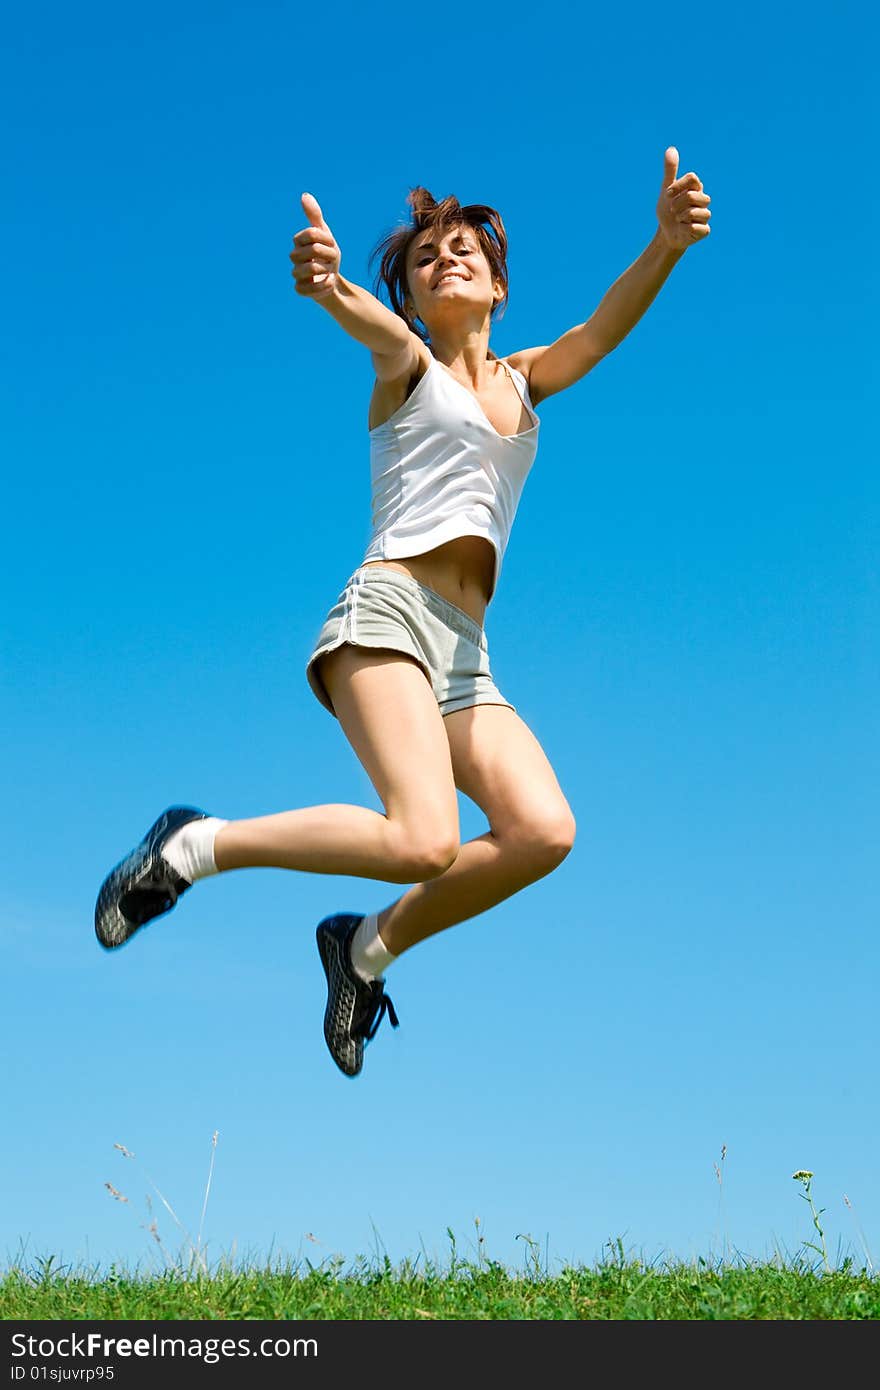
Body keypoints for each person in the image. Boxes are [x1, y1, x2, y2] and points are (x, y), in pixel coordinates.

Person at [94, 150, 711, 1079]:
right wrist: (331, 285)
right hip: (388, 612)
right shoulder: (407, 365)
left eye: (466, 250)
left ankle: (364, 952)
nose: (446, 260)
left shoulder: (523, 382)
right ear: (414, 297)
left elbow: (599, 329)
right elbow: (371, 326)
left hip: (467, 654)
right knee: (421, 838)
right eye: (426, 257)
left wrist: (664, 245)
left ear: (498, 285)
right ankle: (193, 844)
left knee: (542, 830)